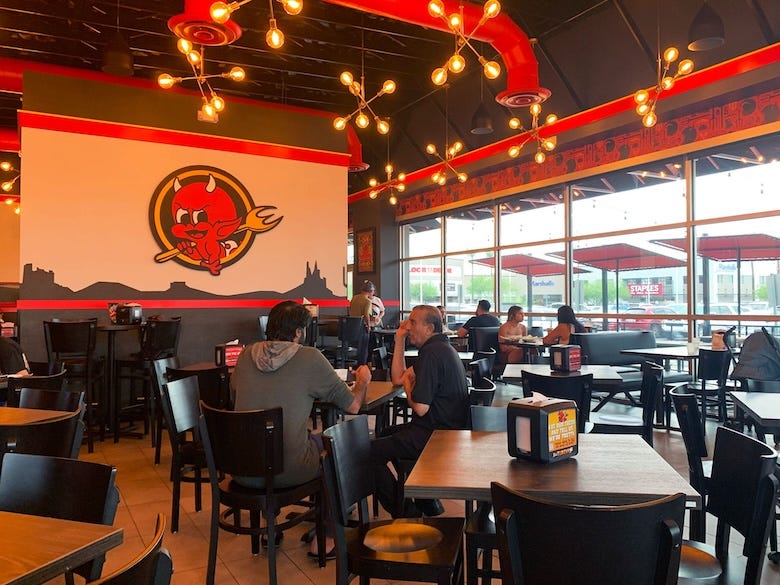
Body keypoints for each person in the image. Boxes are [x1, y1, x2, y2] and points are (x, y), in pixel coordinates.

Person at [230, 300, 371, 557]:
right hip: (287, 469)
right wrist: (362, 380)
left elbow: (236, 399)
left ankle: (270, 525)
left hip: (242, 468)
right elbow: (353, 406)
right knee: (333, 446)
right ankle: (327, 537)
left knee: (273, 439)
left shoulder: (244, 355)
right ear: (298, 332)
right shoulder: (309, 357)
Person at [371, 304, 470, 518]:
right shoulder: (440, 348)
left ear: (429, 327)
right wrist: (399, 340)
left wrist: (409, 387)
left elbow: (420, 407)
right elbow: (398, 378)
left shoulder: (432, 354)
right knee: (387, 434)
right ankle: (427, 501)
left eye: (413, 322)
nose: (407, 326)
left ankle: (406, 512)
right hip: (447, 433)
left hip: (437, 438)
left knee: (365, 454)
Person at [348, 280, 374, 365]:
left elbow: (350, 310)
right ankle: (362, 367)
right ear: (370, 291)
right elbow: (366, 315)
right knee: (363, 350)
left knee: (354, 348)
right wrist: (369, 326)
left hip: (351, 327)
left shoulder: (354, 298)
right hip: (361, 328)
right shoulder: (367, 301)